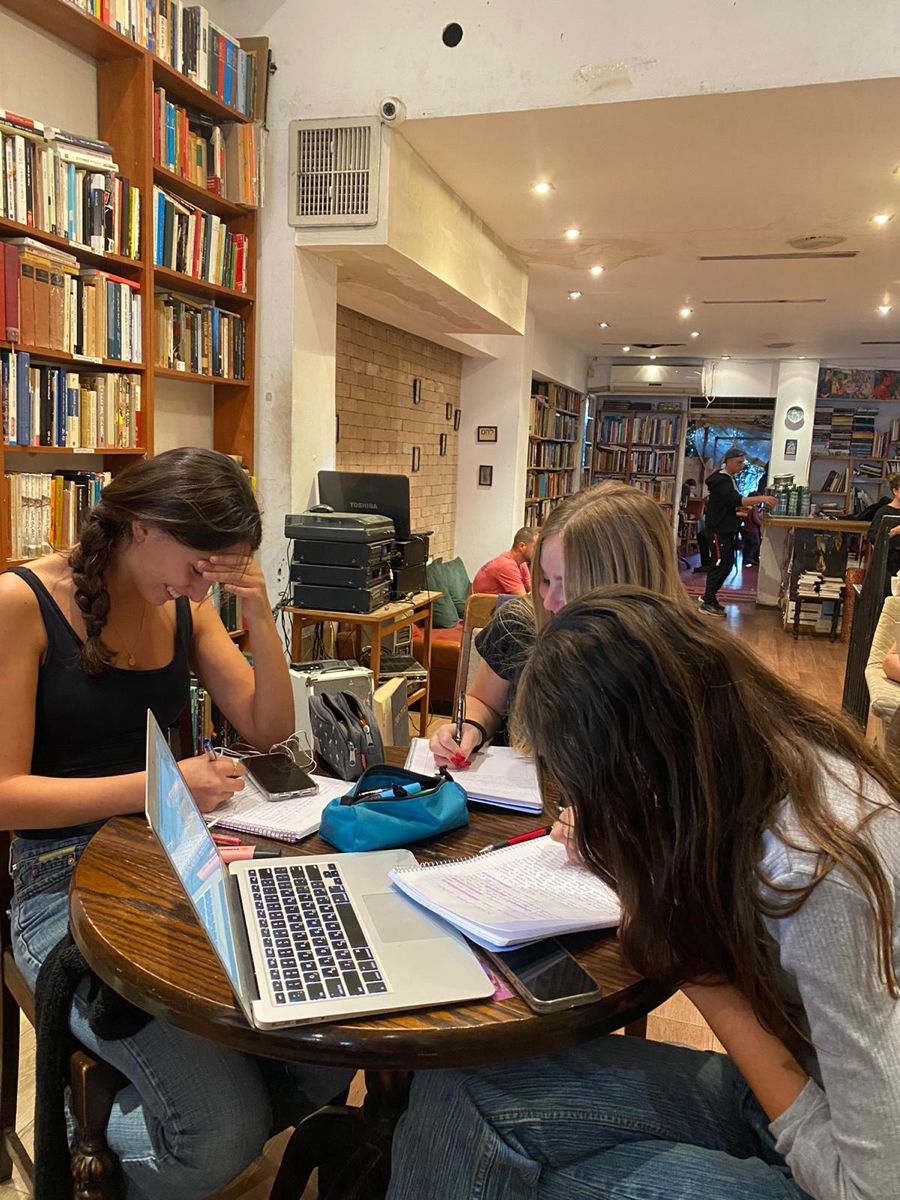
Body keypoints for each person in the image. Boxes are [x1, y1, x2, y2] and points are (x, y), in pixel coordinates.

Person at [389, 586, 900, 1200]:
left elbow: (869, 1186)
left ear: (644, 764)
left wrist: (700, 972)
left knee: (511, 1171)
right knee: (459, 1087)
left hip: (844, 1164)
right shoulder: (759, 762)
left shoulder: (813, 870)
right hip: (810, 1093)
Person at [0, 448, 349, 1200]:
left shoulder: (186, 607)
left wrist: (258, 612)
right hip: (57, 889)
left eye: (216, 573)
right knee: (220, 1137)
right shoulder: (21, 602)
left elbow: (267, 728)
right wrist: (165, 784)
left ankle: (163, 1109)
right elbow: (6, 796)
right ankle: (85, 1139)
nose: (199, 586)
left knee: (327, 1045)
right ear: (142, 526)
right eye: (197, 566)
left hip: (171, 858)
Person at [430, 481, 687, 769]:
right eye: (545, 579)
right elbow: (484, 702)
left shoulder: (689, 662)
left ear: (627, 583)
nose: (549, 600)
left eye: (569, 585)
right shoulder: (520, 624)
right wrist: (471, 728)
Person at [700, 446, 776, 616]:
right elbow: (735, 499)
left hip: (725, 528)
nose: (741, 466)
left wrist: (737, 512)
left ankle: (709, 596)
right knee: (720, 564)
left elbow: (726, 504)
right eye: (738, 462)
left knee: (726, 564)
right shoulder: (722, 480)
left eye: (742, 462)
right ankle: (707, 601)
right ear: (728, 461)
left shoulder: (727, 479)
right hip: (718, 530)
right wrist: (762, 498)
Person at [471, 526, 538, 596]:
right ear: (522, 546)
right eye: (535, 548)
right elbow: (524, 599)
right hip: (481, 603)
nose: (538, 552)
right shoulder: (507, 565)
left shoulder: (521, 564)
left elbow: (531, 590)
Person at [866, 472, 900, 594]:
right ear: (895, 491)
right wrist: (893, 532)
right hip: (889, 561)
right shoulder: (883, 512)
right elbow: (873, 537)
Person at [741, 500, 763, 567]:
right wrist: (761, 524)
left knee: (748, 545)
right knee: (756, 544)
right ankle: (750, 558)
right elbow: (755, 519)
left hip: (746, 528)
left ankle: (746, 559)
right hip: (753, 529)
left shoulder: (747, 508)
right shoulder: (754, 508)